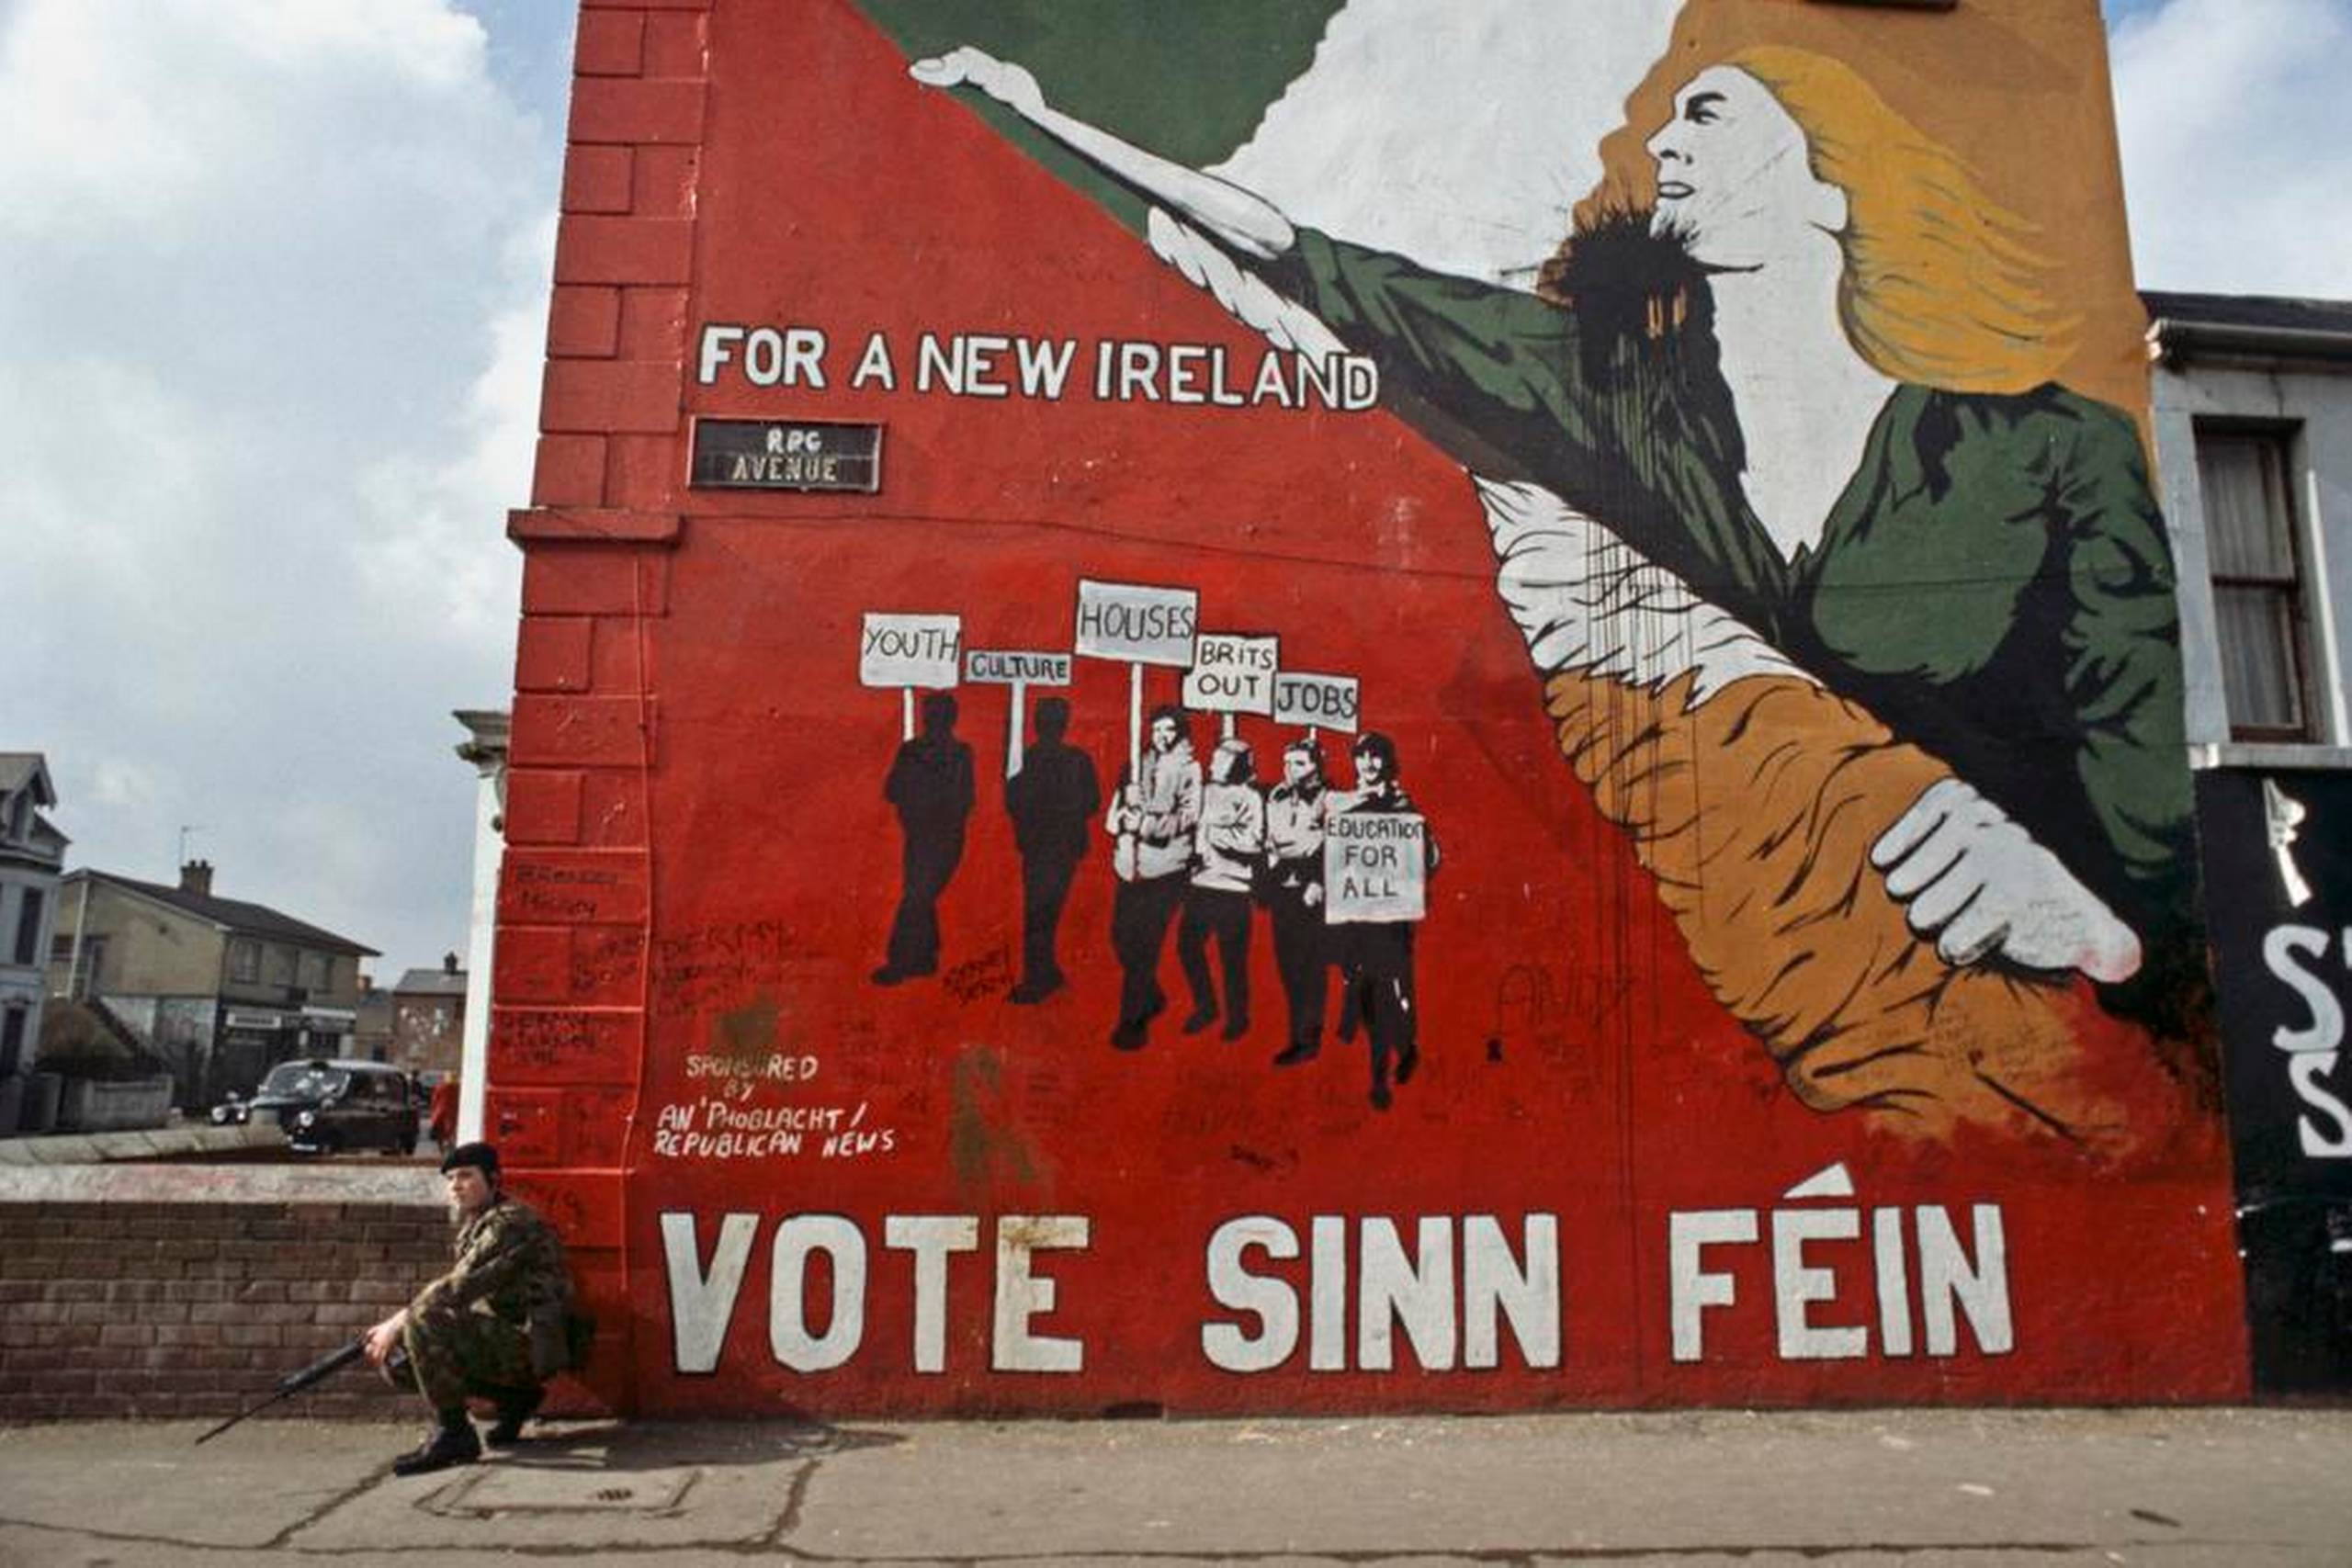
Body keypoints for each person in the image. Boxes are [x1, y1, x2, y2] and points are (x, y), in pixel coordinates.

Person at [910, 44, 2206, 1151]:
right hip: (1824, 990)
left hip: (2063, 996)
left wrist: (2091, 906)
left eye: (1708, 115)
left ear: (1831, 183)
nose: (1664, 142)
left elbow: (2145, 787)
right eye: (1666, 118)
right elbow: (1313, 261)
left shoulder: (2050, 449)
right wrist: (1042, 115)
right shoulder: (1606, 394)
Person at [364, 1142, 579, 1476]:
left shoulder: (510, 1222)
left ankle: (454, 1434)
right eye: (451, 1179)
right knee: (401, 1361)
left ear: (493, 1179)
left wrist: (398, 1321)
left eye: (466, 1176)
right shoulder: (479, 1223)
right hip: (513, 1339)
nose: (456, 1186)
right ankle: (514, 1398)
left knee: (423, 1320)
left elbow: (458, 1288)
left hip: (536, 1343)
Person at [1330, 733, 1438, 1111]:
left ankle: (1381, 1078)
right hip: (1354, 916)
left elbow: (1430, 858)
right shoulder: (1342, 804)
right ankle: (1404, 1047)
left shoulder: (1403, 806)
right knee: (1360, 990)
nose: (1369, 764)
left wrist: (1415, 851)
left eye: (1376, 757)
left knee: (1385, 991)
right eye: (1362, 756)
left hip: (1390, 918)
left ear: (1387, 763)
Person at [1104, 705, 1201, 1049]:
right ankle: (1151, 995)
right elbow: (1111, 821)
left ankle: (1132, 1025)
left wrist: (1146, 823)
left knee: (1144, 947)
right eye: (1157, 729)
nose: (1162, 736)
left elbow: (1189, 817)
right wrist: (1124, 814)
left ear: (1180, 733)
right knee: (1120, 938)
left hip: (1167, 869)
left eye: (1169, 730)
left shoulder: (1190, 768)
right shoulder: (1134, 765)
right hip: (1130, 867)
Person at [1004, 695, 1102, 1004]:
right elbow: (1093, 802)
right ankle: (1045, 972)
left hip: (1039, 847)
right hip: (1065, 847)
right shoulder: (1078, 760)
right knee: (1047, 912)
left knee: (1038, 914)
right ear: (1065, 723)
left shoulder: (1028, 758)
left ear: (1037, 723)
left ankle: (1039, 979)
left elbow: (1014, 800)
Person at [875, 691, 976, 986]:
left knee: (917, 895)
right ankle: (925, 957)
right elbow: (966, 799)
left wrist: (917, 804)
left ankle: (901, 962)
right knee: (920, 894)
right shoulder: (960, 753)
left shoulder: (914, 751)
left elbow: (893, 790)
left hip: (925, 835)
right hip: (942, 837)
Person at [1178, 736, 1264, 1041]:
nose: (1212, 765)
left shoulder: (1250, 798)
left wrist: (1214, 834)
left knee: (1232, 958)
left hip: (1234, 889)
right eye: (1213, 759)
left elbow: (1253, 841)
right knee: (1187, 946)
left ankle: (1237, 1018)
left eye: (1219, 761)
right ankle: (1206, 1006)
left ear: (1236, 765)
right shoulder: (1204, 791)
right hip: (1201, 884)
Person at [1261, 737, 1333, 1066]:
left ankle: (1309, 1040)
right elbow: (1271, 839)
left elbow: (1332, 844)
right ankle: (1297, 1037)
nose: (1290, 769)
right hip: (1282, 889)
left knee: (1310, 968)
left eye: (1299, 763)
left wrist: (1317, 879)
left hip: (1312, 892)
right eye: (1287, 762)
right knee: (1288, 967)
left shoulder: (1330, 799)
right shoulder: (1276, 796)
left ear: (1317, 766)